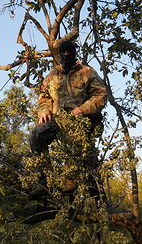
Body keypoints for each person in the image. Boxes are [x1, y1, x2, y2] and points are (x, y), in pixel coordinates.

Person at [29, 40, 107, 197]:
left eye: (68, 53)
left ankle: (81, 183)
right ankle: (44, 182)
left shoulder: (87, 72)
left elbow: (101, 95)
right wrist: (44, 111)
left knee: (82, 152)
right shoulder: (52, 76)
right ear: (58, 55)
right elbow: (44, 98)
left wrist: (82, 109)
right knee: (36, 134)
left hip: (82, 120)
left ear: (74, 54)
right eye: (62, 53)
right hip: (58, 120)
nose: (66, 56)